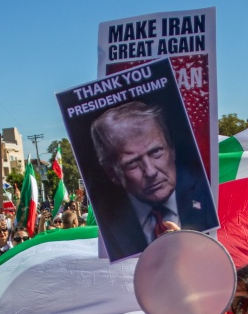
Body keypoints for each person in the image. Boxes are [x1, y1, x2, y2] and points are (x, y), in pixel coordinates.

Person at [90, 100, 218, 260]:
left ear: (172, 149)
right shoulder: (110, 227)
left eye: (156, 152)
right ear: (113, 174)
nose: (150, 172)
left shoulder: (208, 201)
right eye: (132, 162)